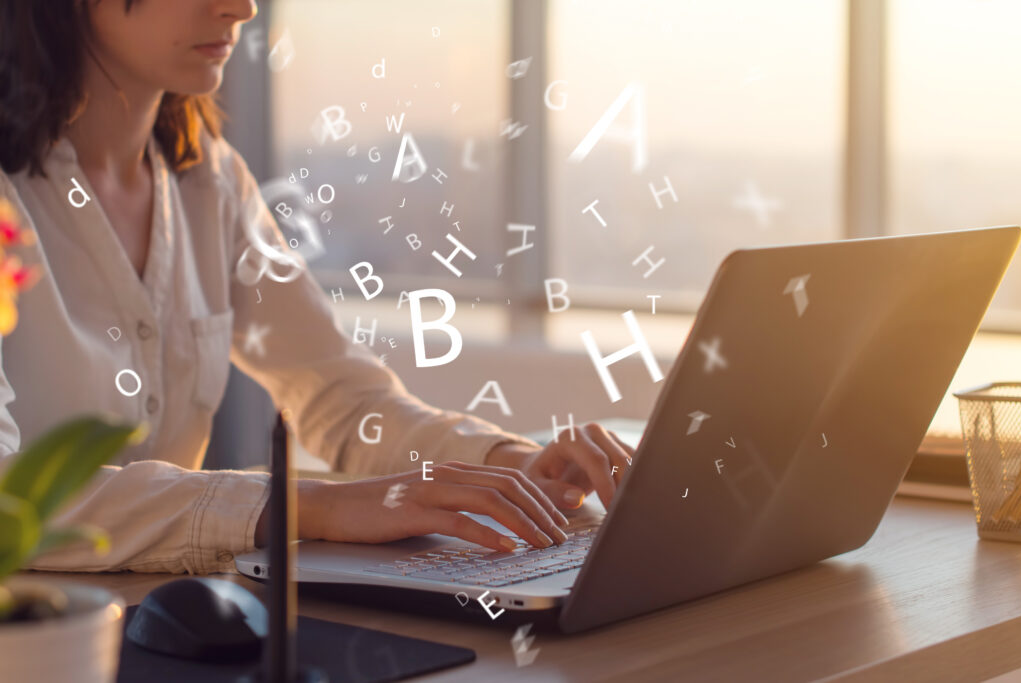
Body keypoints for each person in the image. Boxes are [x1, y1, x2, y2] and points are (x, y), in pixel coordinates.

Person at [0, 0, 634, 574]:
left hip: (164, 622)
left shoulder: (209, 181)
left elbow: (340, 399)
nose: (240, 8)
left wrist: (509, 466)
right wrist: (315, 506)